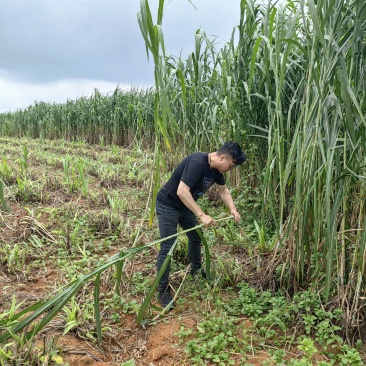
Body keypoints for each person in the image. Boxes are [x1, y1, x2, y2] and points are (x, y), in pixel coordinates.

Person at [155, 141, 247, 309]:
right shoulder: (197, 162)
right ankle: (162, 291)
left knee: (196, 238)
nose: (230, 169)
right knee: (168, 247)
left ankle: (196, 271)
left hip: (185, 206)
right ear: (222, 157)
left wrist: (233, 209)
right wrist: (201, 214)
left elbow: (223, 191)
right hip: (168, 205)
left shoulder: (217, 171)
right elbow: (182, 191)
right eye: (231, 165)